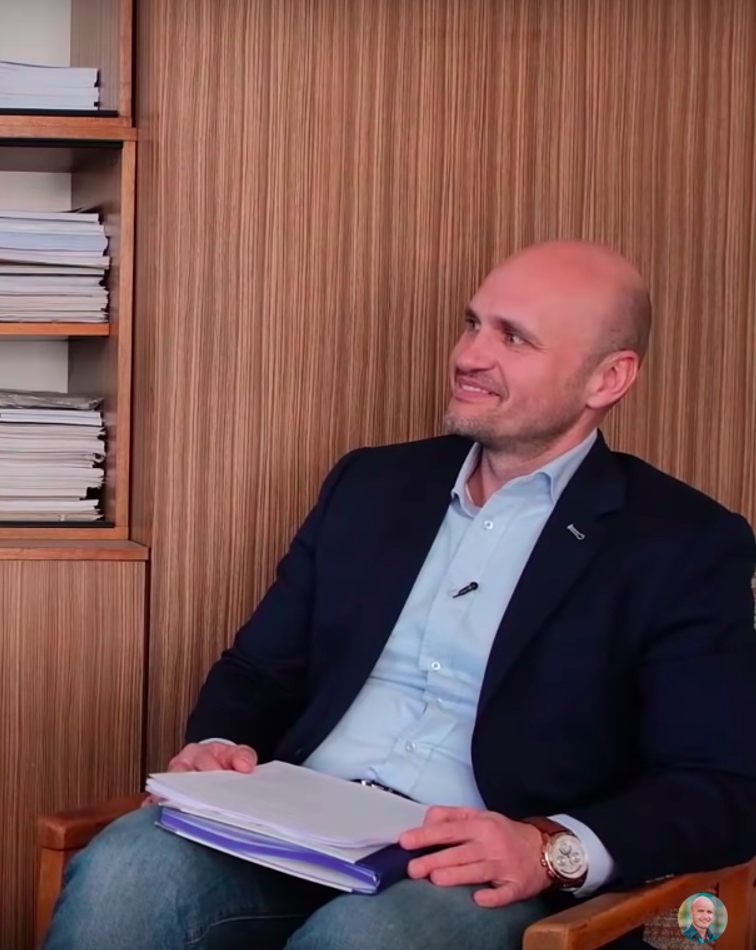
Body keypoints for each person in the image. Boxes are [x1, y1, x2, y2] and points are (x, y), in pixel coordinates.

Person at [41, 240, 756, 950]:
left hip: (473, 862)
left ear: (608, 378)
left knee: (367, 938)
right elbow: (260, 671)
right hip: (302, 822)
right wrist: (219, 746)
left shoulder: (682, 543)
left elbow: (720, 785)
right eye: (472, 323)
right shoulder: (372, 485)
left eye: (513, 338)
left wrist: (548, 848)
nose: (469, 355)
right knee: (125, 867)